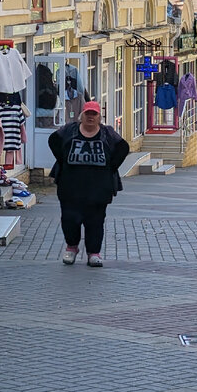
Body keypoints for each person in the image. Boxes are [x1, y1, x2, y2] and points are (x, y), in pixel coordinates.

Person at [48, 101, 130, 267]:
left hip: (99, 187)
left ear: (99, 117)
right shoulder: (70, 130)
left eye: (94, 114)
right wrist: (63, 160)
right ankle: (72, 247)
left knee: (95, 220)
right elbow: (53, 140)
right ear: (82, 116)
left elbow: (123, 147)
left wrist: (111, 167)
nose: (91, 117)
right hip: (70, 186)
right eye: (88, 114)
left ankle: (94, 253)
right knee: (70, 219)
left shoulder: (107, 133)